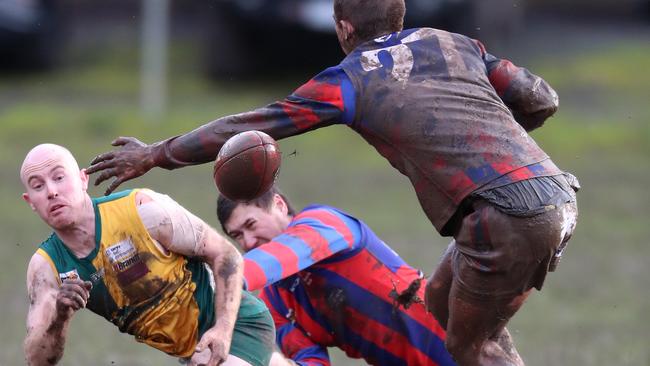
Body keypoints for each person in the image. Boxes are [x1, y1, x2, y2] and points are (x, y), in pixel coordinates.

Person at [86, 0, 579, 364]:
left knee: (468, 346)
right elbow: (541, 100)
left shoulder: (350, 81)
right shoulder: (454, 43)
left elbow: (253, 126)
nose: (247, 237)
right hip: (550, 193)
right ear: (400, 17)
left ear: (343, 28)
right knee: (442, 304)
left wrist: (157, 154)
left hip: (503, 213)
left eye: (250, 226)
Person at [20, 144, 275, 366]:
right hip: (196, 350)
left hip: (239, 324)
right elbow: (37, 360)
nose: (52, 191)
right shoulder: (46, 268)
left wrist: (222, 330)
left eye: (59, 178)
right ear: (30, 201)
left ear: (83, 180)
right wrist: (60, 316)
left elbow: (227, 255)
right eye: (38, 186)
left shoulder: (142, 211)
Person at [217, 186, 456, 366]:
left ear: (279, 205)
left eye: (251, 224)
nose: (247, 241)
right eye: (236, 236)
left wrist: (216, 285)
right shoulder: (274, 302)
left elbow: (277, 257)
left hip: (468, 348)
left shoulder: (323, 223)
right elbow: (310, 360)